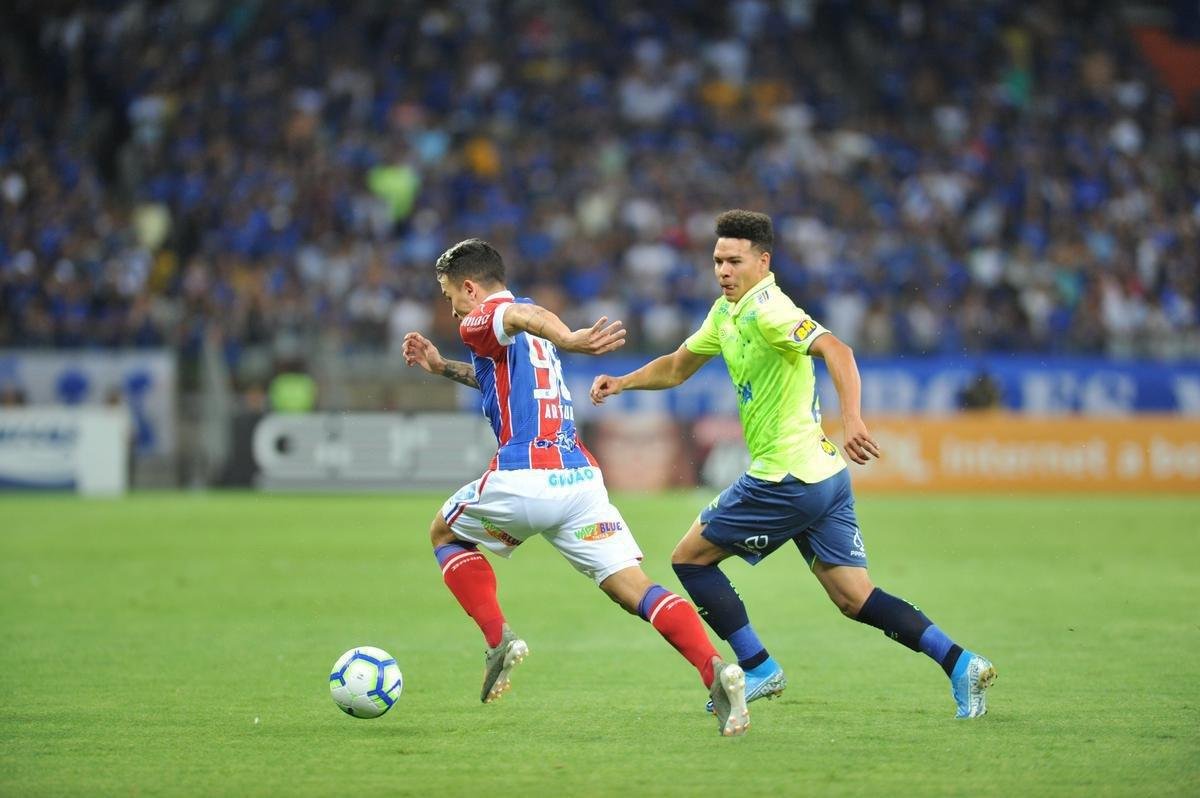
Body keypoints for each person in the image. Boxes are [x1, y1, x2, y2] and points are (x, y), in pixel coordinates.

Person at [590, 210, 997, 719]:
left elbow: (839, 351)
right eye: (717, 260)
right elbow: (676, 366)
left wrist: (853, 419)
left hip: (784, 477)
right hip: (824, 476)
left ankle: (757, 666)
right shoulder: (726, 312)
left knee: (690, 559)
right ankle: (961, 664)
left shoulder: (771, 311)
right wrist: (623, 382)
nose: (723, 270)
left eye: (735, 261)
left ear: (763, 262)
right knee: (854, 597)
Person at [402, 238, 750, 736]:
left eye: (450, 294)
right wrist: (442, 368)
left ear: (471, 288)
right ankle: (714, 668)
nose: (451, 307)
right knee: (633, 587)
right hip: (580, 482)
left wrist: (570, 337)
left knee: (444, 533)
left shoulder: (489, 316)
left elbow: (522, 314)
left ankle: (498, 639)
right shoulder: (527, 342)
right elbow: (498, 376)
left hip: (526, 476)